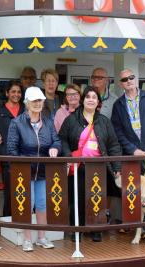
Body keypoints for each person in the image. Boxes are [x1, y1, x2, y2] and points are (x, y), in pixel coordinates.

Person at [59, 86, 122, 242]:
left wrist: (117, 167)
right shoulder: (71, 119)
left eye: (94, 97)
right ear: (83, 99)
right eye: (88, 96)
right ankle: (77, 229)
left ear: (98, 102)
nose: (91, 99)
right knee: (77, 198)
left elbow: (114, 145)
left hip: (98, 166)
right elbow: (62, 139)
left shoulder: (104, 121)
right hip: (78, 165)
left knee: (96, 199)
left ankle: (96, 229)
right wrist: (68, 156)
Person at [7, 86, 61, 251]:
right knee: (27, 204)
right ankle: (27, 239)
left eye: (40, 100)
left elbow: (56, 141)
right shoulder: (16, 123)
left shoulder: (49, 122)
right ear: (27, 103)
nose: (38, 103)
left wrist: (55, 148)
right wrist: (19, 168)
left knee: (42, 204)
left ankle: (42, 238)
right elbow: (11, 149)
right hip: (24, 173)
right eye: (34, 100)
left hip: (43, 172)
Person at [111, 68, 145, 160]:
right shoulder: (118, 104)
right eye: (124, 79)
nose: (128, 81)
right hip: (132, 155)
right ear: (121, 84)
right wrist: (132, 149)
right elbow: (117, 131)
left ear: (135, 79)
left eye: (131, 77)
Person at [0, 80, 25, 216]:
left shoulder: (26, 109)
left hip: (25, 157)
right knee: (10, 191)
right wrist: (0, 148)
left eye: (18, 92)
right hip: (8, 158)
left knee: (25, 191)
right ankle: (7, 220)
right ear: (7, 93)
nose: (16, 94)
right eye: (13, 91)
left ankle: (23, 219)